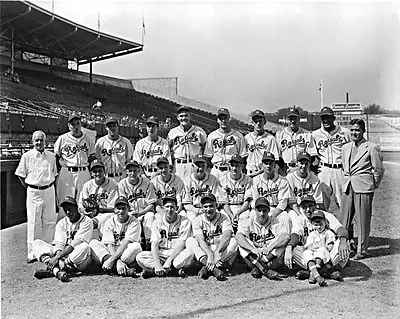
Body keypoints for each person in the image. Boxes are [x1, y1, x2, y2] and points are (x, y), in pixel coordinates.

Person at [340, 119, 384, 260]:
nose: (354, 133)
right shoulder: (345, 147)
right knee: (344, 219)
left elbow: (378, 169)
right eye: (352, 130)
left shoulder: (371, 147)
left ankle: (362, 249)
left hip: (363, 186)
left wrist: (372, 184)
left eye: (357, 130)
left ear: (363, 131)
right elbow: (344, 167)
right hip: (348, 186)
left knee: (363, 220)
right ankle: (343, 248)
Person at [284, 195, 350, 282]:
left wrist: (342, 241)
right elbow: (295, 235)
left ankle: (312, 273)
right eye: (304, 207)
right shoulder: (300, 219)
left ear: (316, 205)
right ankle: (327, 272)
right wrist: (289, 248)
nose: (308, 210)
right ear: (301, 208)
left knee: (345, 242)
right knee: (293, 249)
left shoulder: (326, 215)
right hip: (310, 253)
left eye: (310, 206)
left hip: (327, 254)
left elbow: (340, 229)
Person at [15, 130, 58, 263]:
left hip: (49, 189)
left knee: (50, 221)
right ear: (32, 142)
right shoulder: (27, 156)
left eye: (41, 140)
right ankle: (32, 253)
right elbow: (21, 175)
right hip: (34, 191)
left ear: (45, 141)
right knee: (34, 222)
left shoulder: (51, 156)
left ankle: (47, 250)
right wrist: (30, 187)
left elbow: (54, 174)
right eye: (36, 140)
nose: (39, 142)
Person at [31, 196, 93, 282]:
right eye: (65, 210)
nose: (68, 212)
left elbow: (74, 245)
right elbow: (59, 244)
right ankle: (58, 270)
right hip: (63, 257)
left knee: (85, 247)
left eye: (70, 209)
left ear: (76, 207)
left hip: (78, 258)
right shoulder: (62, 223)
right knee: (36, 243)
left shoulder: (87, 221)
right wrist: (58, 258)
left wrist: (57, 258)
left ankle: (55, 269)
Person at [136, 196, 194, 278]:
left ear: (177, 208)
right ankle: (167, 270)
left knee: (190, 253)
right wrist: (157, 263)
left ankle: (159, 271)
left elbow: (182, 245)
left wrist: (169, 260)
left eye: (172, 207)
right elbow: (154, 245)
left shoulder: (185, 221)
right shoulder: (157, 222)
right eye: (167, 207)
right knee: (140, 257)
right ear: (163, 208)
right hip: (162, 254)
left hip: (178, 255)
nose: (169, 209)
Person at [186, 194, 237, 281]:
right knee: (190, 241)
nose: (208, 209)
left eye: (211, 206)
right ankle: (215, 269)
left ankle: (206, 267)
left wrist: (217, 252)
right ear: (201, 208)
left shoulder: (224, 217)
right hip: (205, 250)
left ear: (216, 205)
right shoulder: (197, 220)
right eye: (205, 207)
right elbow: (200, 240)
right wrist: (209, 254)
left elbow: (227, 235)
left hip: (220, 249)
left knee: (234, 241)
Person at [236, 197, 290, 280]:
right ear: (255, 210)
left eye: (264, 211)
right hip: (254, 254)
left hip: (269, 256)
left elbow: (285, 236)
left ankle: (259, 267)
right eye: (259, 211)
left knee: (282, 242)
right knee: (242, 243)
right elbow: (238, 237)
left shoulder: (274, 221)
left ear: (268, 211)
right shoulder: (248, 221)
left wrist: (270, 247)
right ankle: (265, 270)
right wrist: (252, 249)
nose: (262, 213)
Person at [89, 196, 142, 277]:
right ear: (114, 210)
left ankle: (110, 267)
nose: (121, 211)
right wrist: (117, 261)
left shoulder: (134, 221)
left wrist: (111, 260)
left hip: (126, 252)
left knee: (136, 246)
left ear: (128, 209)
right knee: (93, 243)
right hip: (112, 251)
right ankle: (123, 268)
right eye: (118, 208)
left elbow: (126, 243)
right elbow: (109, 244)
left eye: (123, 208)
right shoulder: (109, 221)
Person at [54, 113, 95, 214]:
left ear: (81, 124)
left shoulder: (88, 139)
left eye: (77, 123)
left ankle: (82, 228)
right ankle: (64, 228)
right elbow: (56, 157)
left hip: (83, 172)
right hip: (67, 172)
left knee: (84, 203)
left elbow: (91, 157)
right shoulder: (62, 139)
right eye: (72, 124)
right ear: (69, 126)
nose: (75, 126)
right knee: (65, 202)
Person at [312, 107, 351, 209]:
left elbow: (353, 150)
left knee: (343, 202)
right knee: (321, 203)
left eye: (328, 117)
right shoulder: (315, 135)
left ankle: (347, 225)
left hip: (340, 170)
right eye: (323, 118)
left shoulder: (345, 132)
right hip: (323, 170)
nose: (326, 120)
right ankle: (322, 224)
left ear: (333, 118)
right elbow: (312, 154)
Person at [251, 152, 299, 224]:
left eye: (270, 163)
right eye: (266, 163)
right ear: (262, 165)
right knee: (251, 216)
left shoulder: (282, 181)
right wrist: (263, 213)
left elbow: (282, 203)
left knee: (286, 219)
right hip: (261, 209)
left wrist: (273, 216)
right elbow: (255, 200)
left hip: (277, 209)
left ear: (274, 165)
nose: (268, 166)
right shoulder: (255, 180)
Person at [118, 160, 157, 249]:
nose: (132, 173)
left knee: (150, 216)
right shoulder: (122, 184)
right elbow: (122, 205)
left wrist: (141, 213)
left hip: (145, 212)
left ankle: (149, 244)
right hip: (130, 213)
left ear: (139, 170)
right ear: (126, 172)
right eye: (130, 171)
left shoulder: (147, 182)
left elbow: (151, 205)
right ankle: (133, 244)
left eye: (135, 170)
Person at [78, 160, 119, 237]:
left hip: (107, 214)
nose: (98, 173)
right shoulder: (87, 185)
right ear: (91, 173)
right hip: (90, 215)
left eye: (100, 171)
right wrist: (86, 212)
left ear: (104, 171)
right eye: (95, 171)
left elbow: (114, 207)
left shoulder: (113, 184)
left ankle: (105, 242)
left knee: (102, 220)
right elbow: (81, 205)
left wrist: (97, 211)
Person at [204, 108, 247, 179]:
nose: (223, 121)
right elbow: (208, 156)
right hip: (216, 170)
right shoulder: (212, 136)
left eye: (225, 118)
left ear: (229, 119)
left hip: (231, 170)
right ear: (217, 120)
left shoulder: (238, 136)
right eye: (221, 118)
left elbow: (242, 156)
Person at [167, 106, 207, 180]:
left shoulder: (199, 131)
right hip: (179, 165)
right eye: (181, 116)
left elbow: (206, 147)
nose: (184, 118)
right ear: (178, 117)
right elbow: (168, 150)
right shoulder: (173, 132)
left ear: (190, 117)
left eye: (186, 116)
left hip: (194, 164)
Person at [276, 107, 318, 175]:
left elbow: (312, 156)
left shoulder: (307, 134)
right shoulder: (280, 135)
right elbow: (277, 157)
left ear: (299, 119)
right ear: (286, 119)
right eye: (290, 119)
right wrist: (282, 170)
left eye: (295, 118)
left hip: (303, 169)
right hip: (286, 169)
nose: (292, 121)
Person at [182, 155, 223, 221]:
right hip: (193, 209)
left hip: (210, 208)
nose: (200, 169)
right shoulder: (187, 181)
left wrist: (208, 209)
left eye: (203, 166)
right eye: (198, 166)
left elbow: (217, 200)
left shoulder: (213, 180)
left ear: (206, 166)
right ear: (192, 166)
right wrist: (197, 210)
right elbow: (186, 204)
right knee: (191, 218)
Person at [302, 210, 336, 286]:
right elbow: (308, 246)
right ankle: (317, 275)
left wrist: (325, 247)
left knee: (321, 250)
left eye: (321, 224)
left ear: (325, 222)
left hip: (324, 256)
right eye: (316, 225)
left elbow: (330, 245)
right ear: (312, 225)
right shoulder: (312, 234)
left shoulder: (328, 233)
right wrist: (312, 248)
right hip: (313, 252)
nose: (319, 227)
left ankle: (314, 274)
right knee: (307, 253)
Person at [95, 116, 133, 182]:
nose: (112, 128)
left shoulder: (126, 142)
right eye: (110, 126)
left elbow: (129, 161)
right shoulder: (100, 142)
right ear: (106, 128)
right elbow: (98, 161)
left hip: (121, 178)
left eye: (114, 126)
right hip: (105, 177)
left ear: (118, 127)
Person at [219, 155, 253, 228]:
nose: (234, 168)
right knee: (223, 217)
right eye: (232, 165)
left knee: (244, 217)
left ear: (242, 167)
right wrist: (231, 215)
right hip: (228, 208)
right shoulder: (222, 180)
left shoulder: (248, 180)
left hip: (242, 207)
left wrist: (238, 213)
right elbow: (224, 202)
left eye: (237, 166)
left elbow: (247, 201)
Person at [244, 110, 280, 178]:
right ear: (252, 122)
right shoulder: (246, 138)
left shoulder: (270, 138)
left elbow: (274, 160)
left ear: (264, 122)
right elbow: (243, 158)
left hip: (264, 174)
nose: (258, 123)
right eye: (255, 121)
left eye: (260, 121)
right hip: (249, 174)